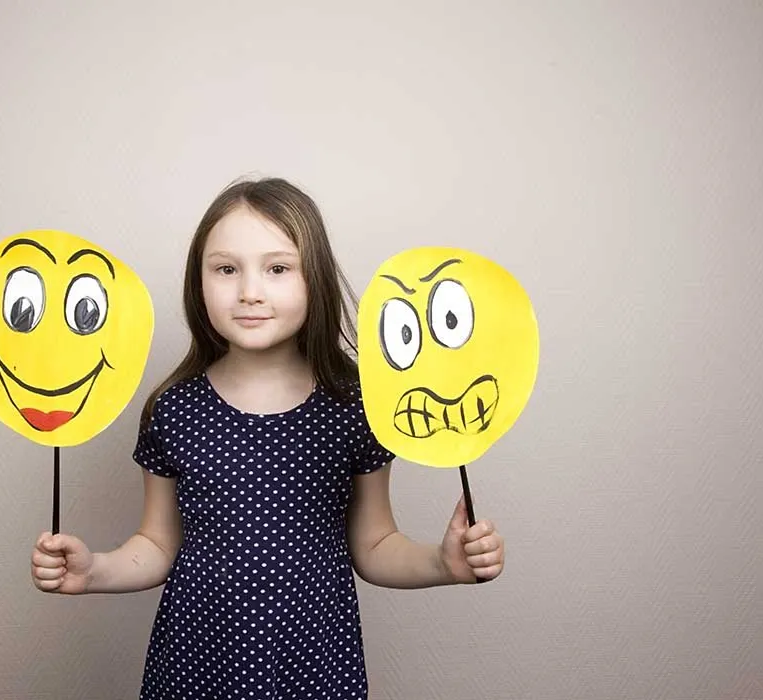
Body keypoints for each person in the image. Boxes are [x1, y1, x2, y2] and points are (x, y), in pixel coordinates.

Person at [30, 176, 506, 699]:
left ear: (314, 280)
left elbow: (374, 546)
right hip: (196, 666)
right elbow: (157, 545)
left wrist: (443, 564)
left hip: (316, 665)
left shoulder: (356, 407)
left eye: (278, 268)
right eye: (226, 269)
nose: (249, 291)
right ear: (199, 282)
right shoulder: (173, 410)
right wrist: (93, 570)